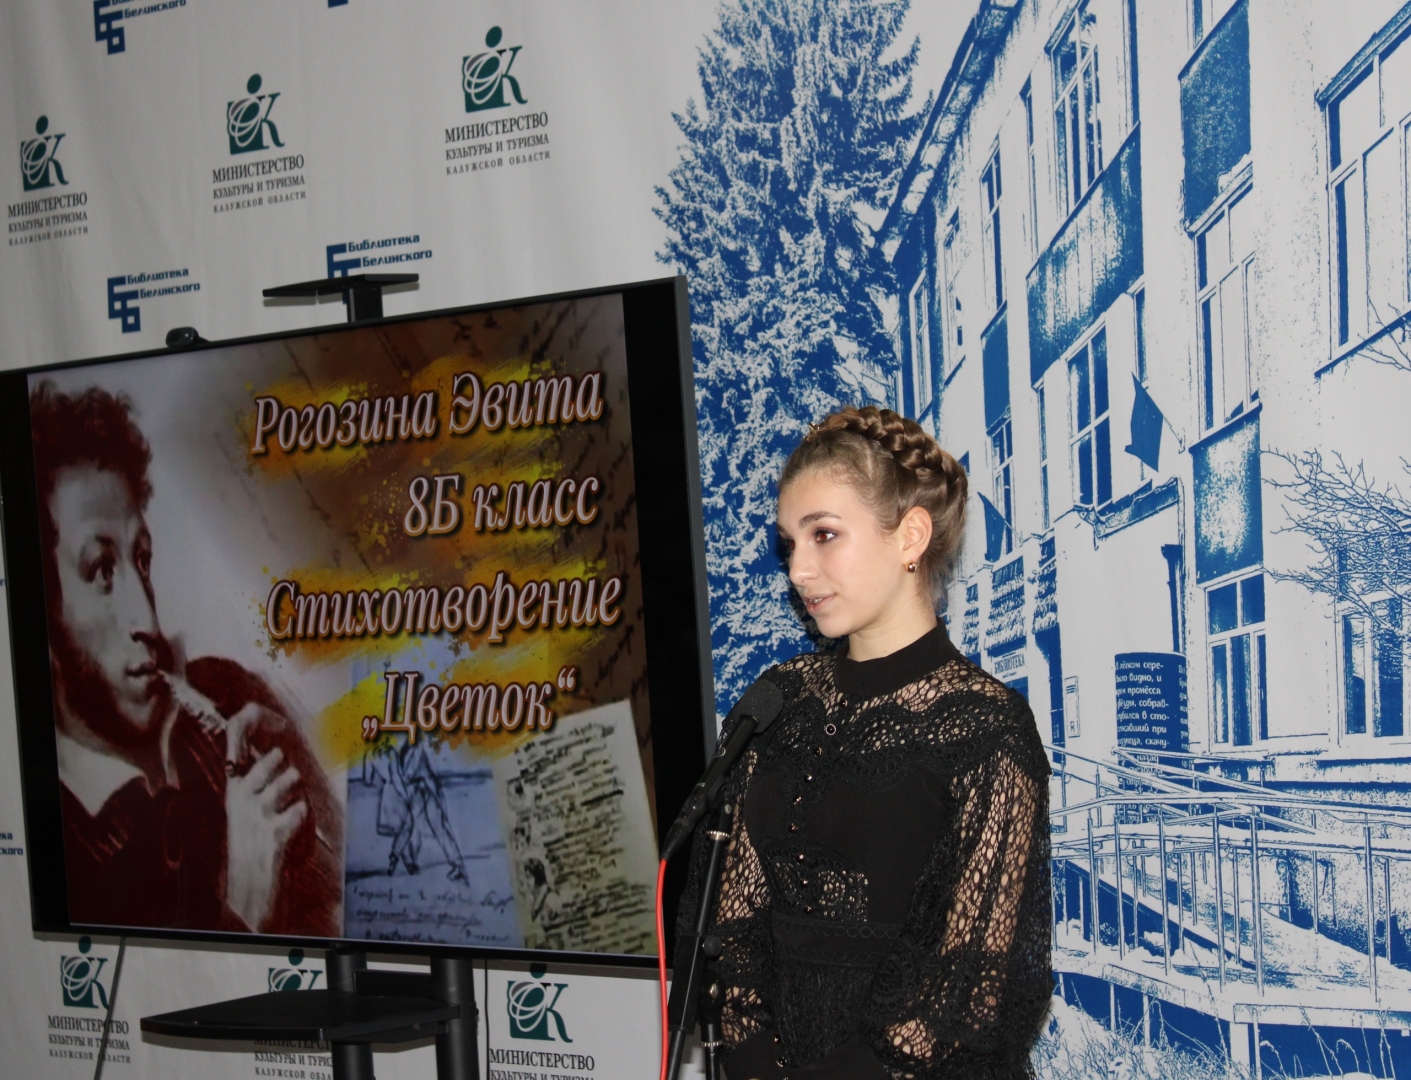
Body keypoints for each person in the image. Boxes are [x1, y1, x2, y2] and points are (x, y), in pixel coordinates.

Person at [683, 406, 1051, 1080]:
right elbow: (730, 926)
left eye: (823, 534)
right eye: (789, 544)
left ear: (910, 535)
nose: (799, 569)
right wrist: (759, 1062)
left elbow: (967, 983)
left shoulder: (986, 727)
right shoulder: (778, 702)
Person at [31, 382, 342, 936]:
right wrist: (247, 908)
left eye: (142, 560)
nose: (147, 620)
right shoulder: (61, 844)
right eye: (101, 570)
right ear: (45, 607)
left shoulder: (230, 692)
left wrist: (306, 838)